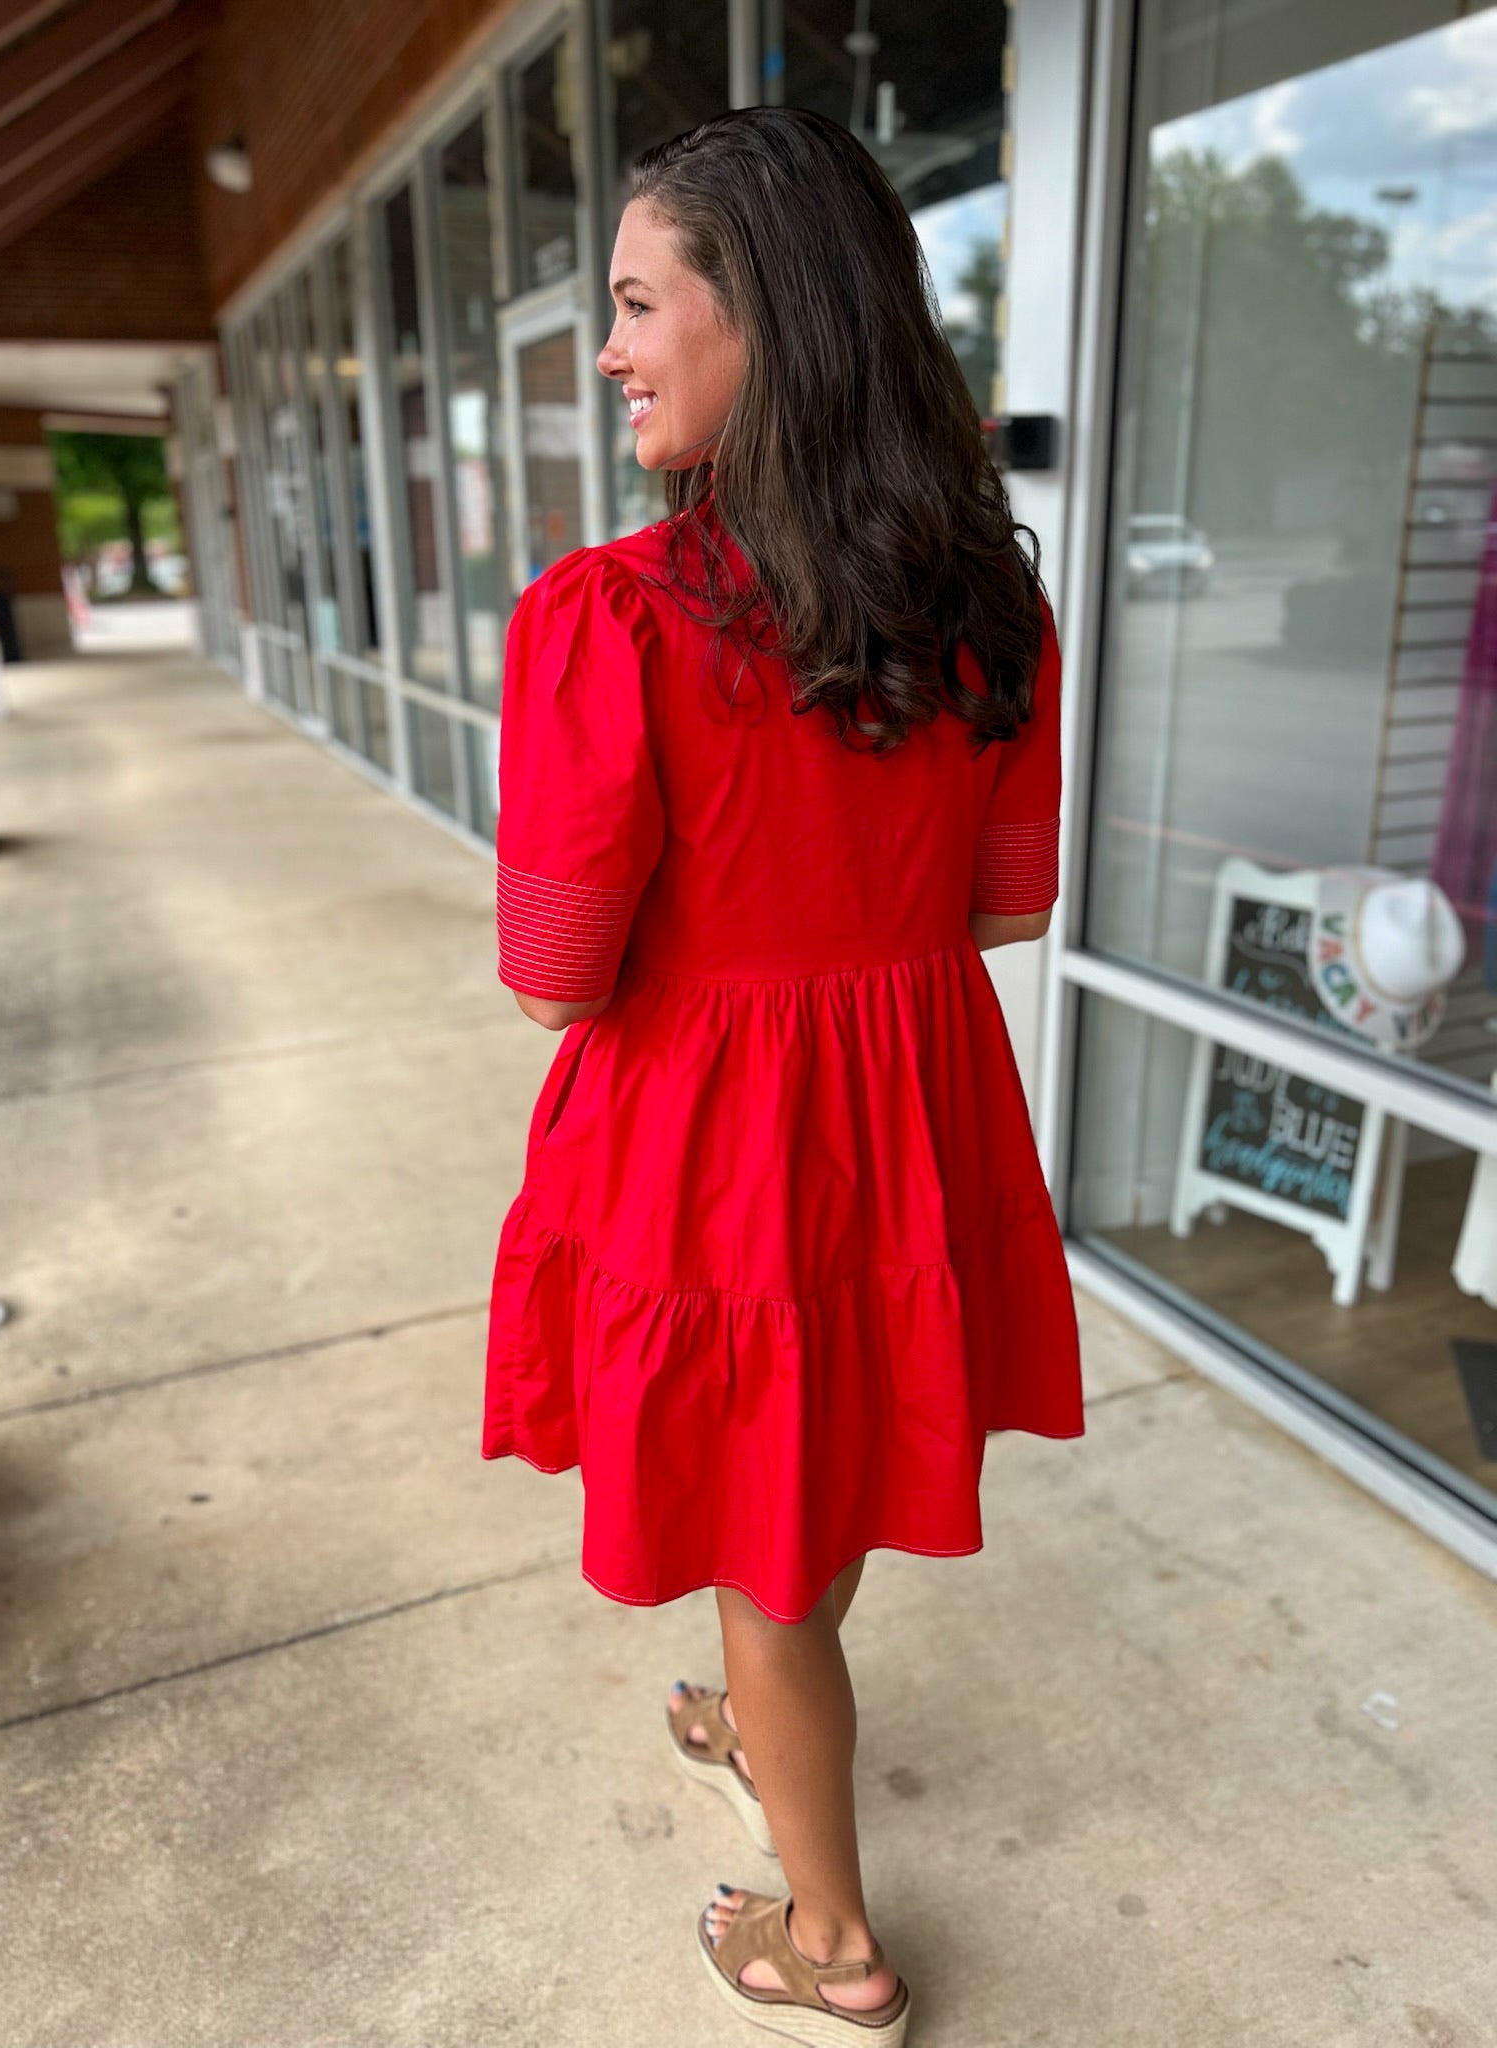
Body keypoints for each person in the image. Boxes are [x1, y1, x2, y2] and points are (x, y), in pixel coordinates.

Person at [482, 104, 1084, 2045]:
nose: (611, 350)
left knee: (768, 1553)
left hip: (720, 1157)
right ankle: (759, 1719)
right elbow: (1004, 913)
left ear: (764, 315)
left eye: (637, 302)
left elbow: (554, 980)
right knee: (817, 1486)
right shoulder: (983, 606)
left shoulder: (613, 622)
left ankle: (832, 1941)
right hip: (907, 1128)